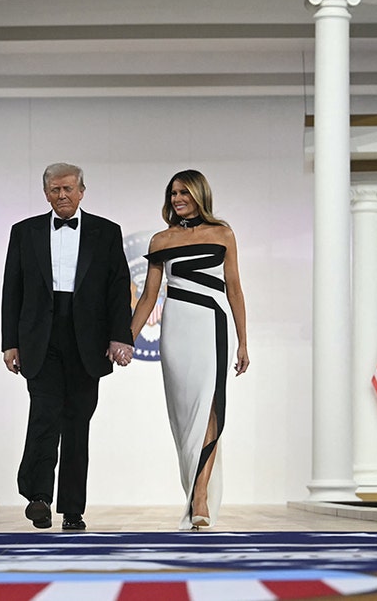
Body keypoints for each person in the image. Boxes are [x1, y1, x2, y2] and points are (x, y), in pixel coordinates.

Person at [1, 162, 134, 531]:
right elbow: (12, 289)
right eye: (55, 190)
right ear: (46, 193)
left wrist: (120, 335)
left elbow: (117, 288)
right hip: (40, 337)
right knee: (44, 415)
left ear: (81, 191)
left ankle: (73, 510)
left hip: (86, 340)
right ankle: (39, 497)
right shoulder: (24, 232)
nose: (62, 196)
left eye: (68, 189)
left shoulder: (106, 232)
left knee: (77, 423)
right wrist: (9, 342)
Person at [130, 169, 249, 530]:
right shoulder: (160, 240)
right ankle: (195, 490)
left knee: (209, 406)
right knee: (184, 417)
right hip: (176, 329)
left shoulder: (222, 233)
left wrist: (244, 341)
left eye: (184, 192)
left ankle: (200, 498)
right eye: (172, 194)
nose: (177, 199)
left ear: (199, 194)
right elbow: (150, 296)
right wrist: (126, 338)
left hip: (213, 326)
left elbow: (234, 289)